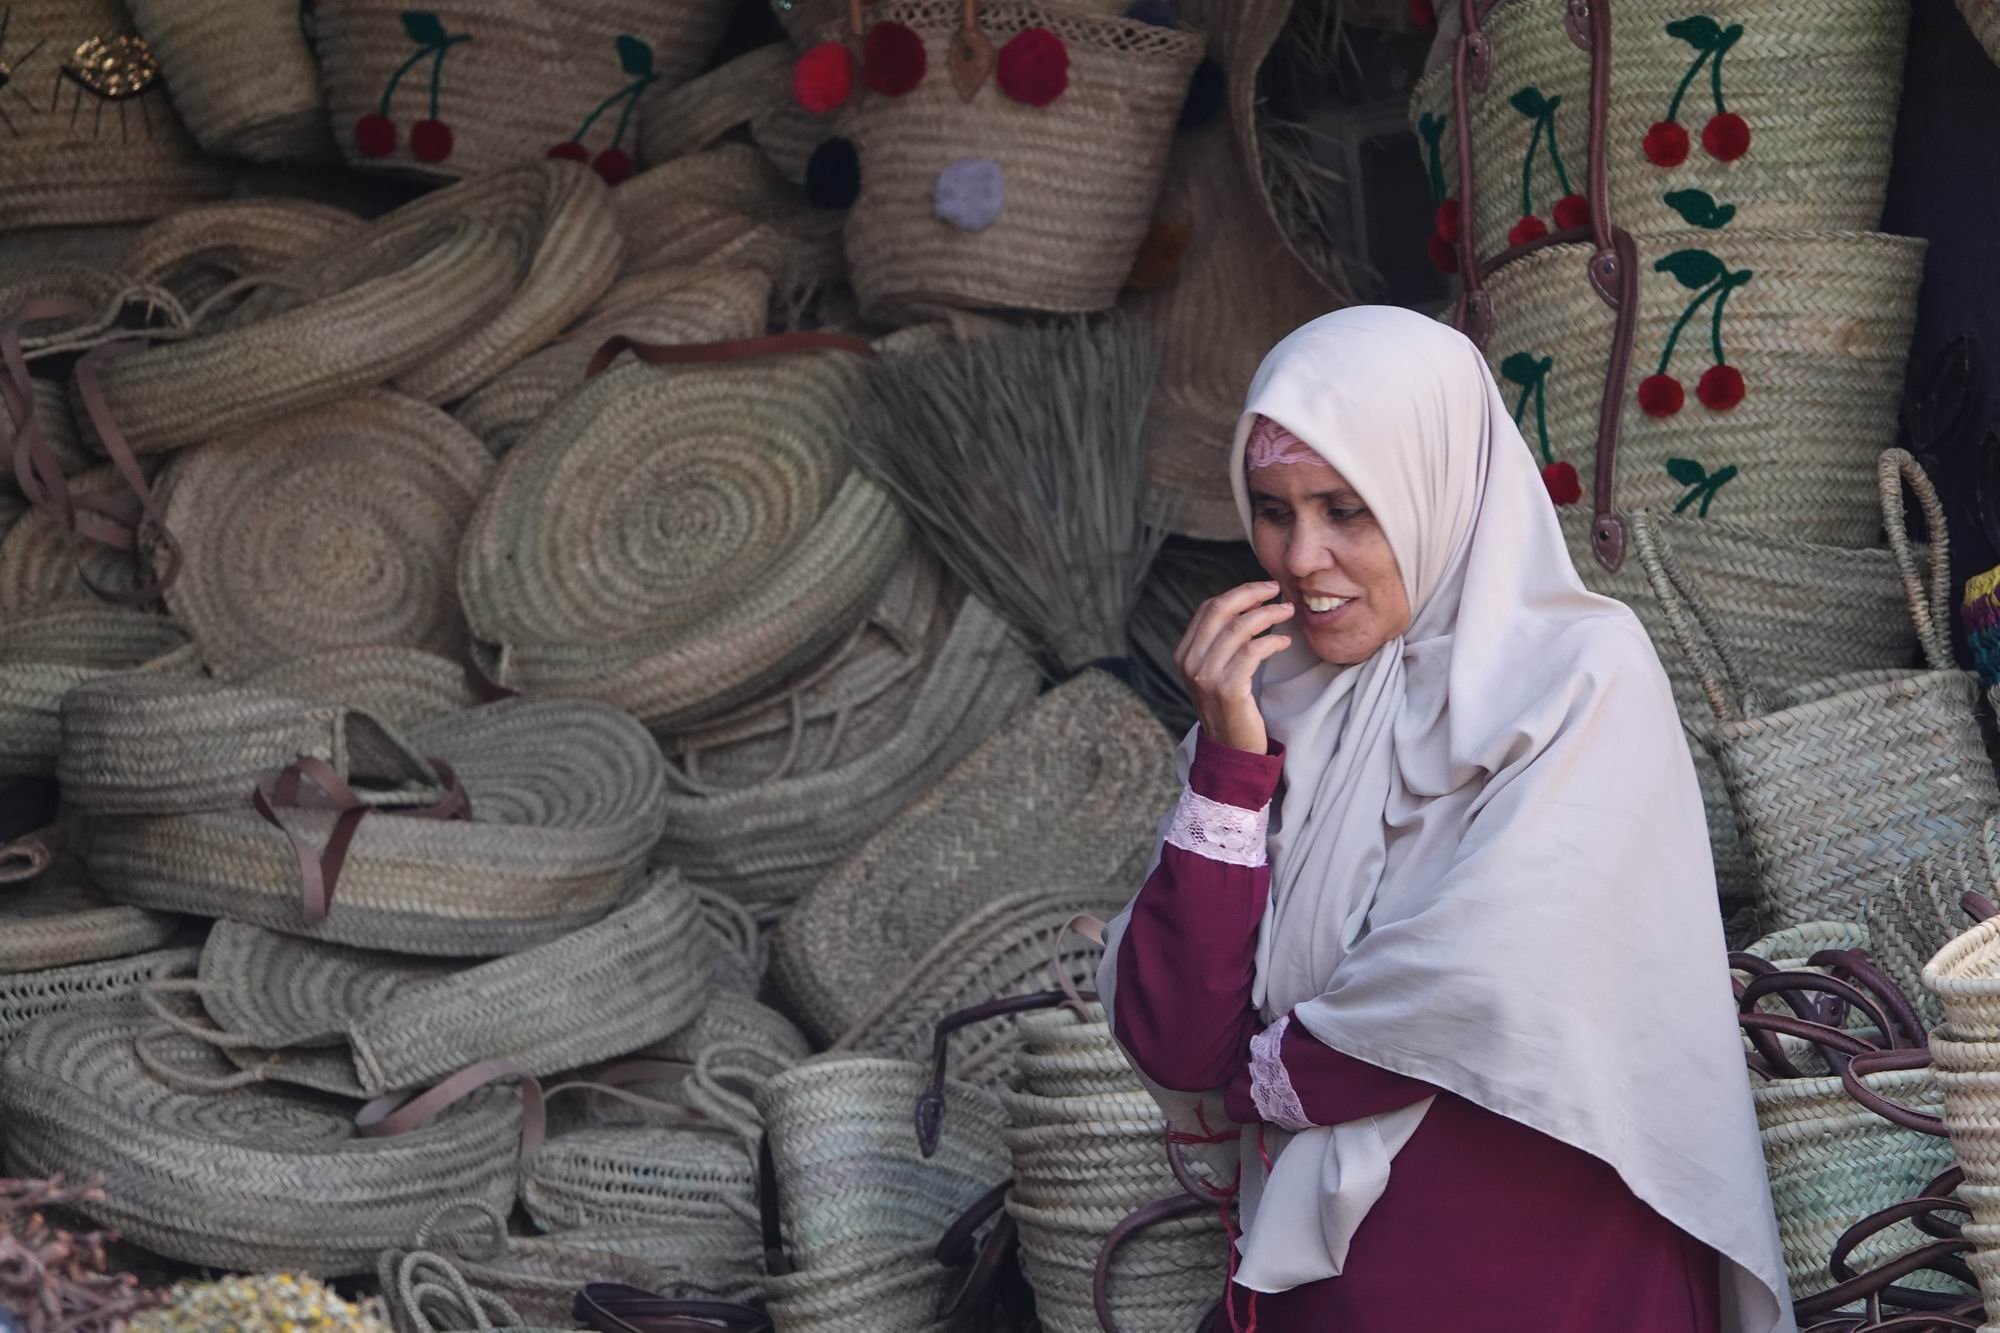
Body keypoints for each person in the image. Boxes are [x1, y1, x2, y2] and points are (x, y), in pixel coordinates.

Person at [1097, 307, 1793, 1331]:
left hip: (1553, 1268)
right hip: (1341, 1293)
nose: (1301, 556)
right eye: (1273, 510)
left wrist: (1261, 1077)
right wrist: (1227, 766)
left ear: (1439, 487)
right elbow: (1175, 1039)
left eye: (1346, 508)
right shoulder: (1274, 704)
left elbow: (1488, 976)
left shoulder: (1574, 681)